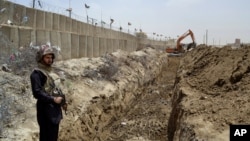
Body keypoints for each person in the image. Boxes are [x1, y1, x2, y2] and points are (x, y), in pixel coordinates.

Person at [30, 45, 65, 141]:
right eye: (47, 57)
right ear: (41, 58)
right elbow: (37, 92)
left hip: (54, 109)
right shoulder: (37, 74)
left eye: (51, 58)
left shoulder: (50, 72)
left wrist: (62, 102)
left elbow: (56, 89)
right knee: (46, 137)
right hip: (45, 110)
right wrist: (53, 99)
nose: (50, 60)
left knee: (53, 136)